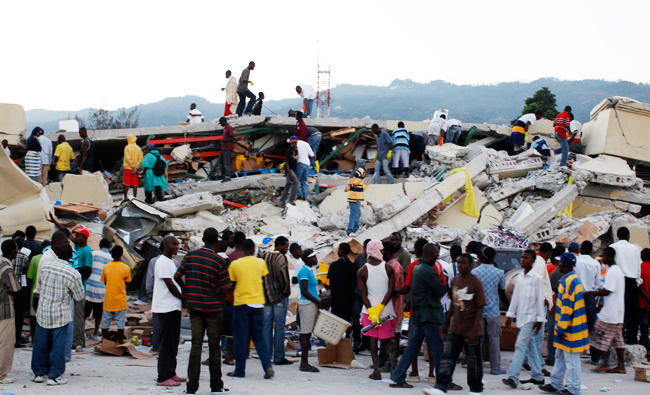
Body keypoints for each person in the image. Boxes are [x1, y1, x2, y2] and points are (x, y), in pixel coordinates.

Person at [174, 228, 231, 394]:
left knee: (196, 346)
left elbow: (177, 276)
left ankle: (191, 388)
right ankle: (216, 386)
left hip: (195, 307)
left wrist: (187, 292)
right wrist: (219, 301)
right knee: (214, 346)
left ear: (203, 239)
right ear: (216, 241)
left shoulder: (191, 255)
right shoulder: (219, 261)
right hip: (213, 308)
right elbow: (225, 286)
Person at [425, 254, 486, 395]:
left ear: (471, 265)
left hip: (472, 329)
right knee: (448, 358)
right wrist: (446, 323)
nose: (460, 266)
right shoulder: (455, 280)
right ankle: (441, 386)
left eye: (464, 263)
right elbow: (453, 302)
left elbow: (480, 307)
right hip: (456, 327)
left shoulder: (476, 282)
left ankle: (476, 389)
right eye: (458, 263)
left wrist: (474, 329)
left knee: (473, 361)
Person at [31, 230, 84, 386]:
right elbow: (79, 296)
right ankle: (55, 375)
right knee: (58, 346)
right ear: (69, 257)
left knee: (40, 345)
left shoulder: (46, 266)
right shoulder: (72, 273)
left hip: (44, 311)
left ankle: (39, 373)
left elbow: (38, 285)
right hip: (60, 314)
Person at [390, 243, 446, 388]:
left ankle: (398, 375)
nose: (437, 256)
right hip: (429, 314)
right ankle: (444, 380)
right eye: (435, 254)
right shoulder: (428, 270)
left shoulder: (416, 267)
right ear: (430, 254)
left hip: (418, 314)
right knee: (437, 348)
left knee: (413, 347)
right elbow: (440, 290)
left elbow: (408, 288)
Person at [539, 253, 589, 395]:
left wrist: (561, 328)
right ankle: (556, 383)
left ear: (565, 265)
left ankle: (574, 388)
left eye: (560, 263)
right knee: (560, 357)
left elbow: (567, 308)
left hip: (570, 328)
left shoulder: (568, 282)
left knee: (571, 360)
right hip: (571, 326)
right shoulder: (572, 279)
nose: (558, 265)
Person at [227, 239, 274, 379]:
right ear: (253, 249)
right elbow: (264, 281)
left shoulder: (235, 264)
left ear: (242, 249)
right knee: (259, 338)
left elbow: (231, 285)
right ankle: (267, 366)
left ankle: (239, 370)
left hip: (242, 303)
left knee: (241, 339)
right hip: (258, 303)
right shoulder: (260, 263)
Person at [502, 250, 546, 389]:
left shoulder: (536, 278)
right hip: (521, 316)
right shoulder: (520, 277)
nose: (522, 260)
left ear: (532, 261)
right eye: (522, 258)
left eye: (526, 258)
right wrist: (510, 315)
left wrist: (540, 319)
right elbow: (515, 298)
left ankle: (513, 377)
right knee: (531, 347)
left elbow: (540, 299)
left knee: (520, 346)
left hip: (531, 317)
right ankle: (538, 376)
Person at [358, 240, 397, 380]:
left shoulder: (362, 270)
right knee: (389, 341)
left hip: (370, 311)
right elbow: (391, 291)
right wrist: (381, 307)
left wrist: (373, 311)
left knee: (373, 340)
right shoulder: (388, 268)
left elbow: (363, 295)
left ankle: (376, 371)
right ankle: (394, 371)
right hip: (386, 309)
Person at [584, 247, 626, 373]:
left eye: (604, 256)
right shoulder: (618, 270)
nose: (602, 258)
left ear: (610, 256)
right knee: (618, 341)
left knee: (598, 336)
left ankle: (605, 362)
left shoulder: (613, 272)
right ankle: (621, 366)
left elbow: (607, 291)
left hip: (610, 313)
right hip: (617, 312)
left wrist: (591, 293)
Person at [152, 235, 185, 387]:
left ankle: (171, 372)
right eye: (174, 244)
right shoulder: (162, 262)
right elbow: (170, 284)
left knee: (172, 343)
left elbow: (177, 281)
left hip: (173, 306)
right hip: (165, 307)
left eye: (178, 244)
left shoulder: (171, 262)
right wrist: (184, 298)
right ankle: (163, 376)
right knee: (166, 344)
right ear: (165, 245)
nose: (177, 247)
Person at [471, 246, 506, 375]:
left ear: (481, 257)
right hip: (493, 311)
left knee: (478, 341)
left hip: (478, 312)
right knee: (494, 341)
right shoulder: (499, 273)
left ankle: (476, 367)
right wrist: (508, 308)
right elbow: (502, 293)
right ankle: (496, 368)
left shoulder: (475, 272)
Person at [261, 236, 292, 366]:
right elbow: (284, 276)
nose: (287, 249)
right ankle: (279, 357)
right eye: (286, 246)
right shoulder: (281, 258)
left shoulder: (264, 256)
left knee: (267, 326)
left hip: (266, 296)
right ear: (279, 246)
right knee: (279, 327)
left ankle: (266, 355)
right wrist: (286, 291)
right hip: (279, 296)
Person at [610, 226, 642, 344]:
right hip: (632, 281)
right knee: (632, 312)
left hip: (618, 281)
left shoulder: (613, 247)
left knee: (618, 312)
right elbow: (638, 269)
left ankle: (618, 338)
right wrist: (637, 282)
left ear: (617, 236)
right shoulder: (635, 249)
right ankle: (632, 339)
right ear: (628, 236)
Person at [100, 246, 131, 344]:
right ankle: (120, 341)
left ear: (112, 254)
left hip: (108, 299)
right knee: (120, 323)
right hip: (120, 300)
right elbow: (128, 282)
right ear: (121, 254)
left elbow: (104, 282)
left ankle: (104, 340)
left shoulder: (106, 267)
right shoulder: (126, 268)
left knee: (105, 322)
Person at [0, 240, 21, 384]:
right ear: (11, 251)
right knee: (6, 343)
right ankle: (2, 374)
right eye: (16, 249)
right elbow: (16, 288)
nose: (17, 251)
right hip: (5, 309)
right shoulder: (7, 267)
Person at [297, 248, 320, 372]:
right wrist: (318, 302)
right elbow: (304, 291)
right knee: (305, 334)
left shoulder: (309, 270)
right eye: (314, 257)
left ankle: (304, 362)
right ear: (308, 259)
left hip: (310, 304)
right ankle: (304, 363)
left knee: (306, 334)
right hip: (307, 305)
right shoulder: (304, 271)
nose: (316, 259)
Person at [85, 238, 112, 340]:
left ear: (100, 245)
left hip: (89, 286)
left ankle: (81, 332)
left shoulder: (93, 253)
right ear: (109, 247)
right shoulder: (111, 258)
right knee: (98, 314)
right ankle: (96, 333)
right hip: (102, 289)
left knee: (85, 313)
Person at [70, 227, 93, 351]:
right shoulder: (78, 247)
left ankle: (78, 341)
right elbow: (69, 236)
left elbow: (88, 270)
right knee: (74, 315)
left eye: (79, 236)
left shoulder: (86, 250)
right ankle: (77, 340)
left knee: (78, 316)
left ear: (84, 238)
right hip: (74, 286)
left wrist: (79, 273)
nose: (76, 238)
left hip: (80, 287)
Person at [26, 240, 50, 342]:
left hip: (34, 293)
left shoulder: (35, 259)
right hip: (46, 294)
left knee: (33, 317)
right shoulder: (51, 259)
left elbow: (29, 277)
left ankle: (33, 339)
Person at [574, 241, 600, 332]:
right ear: (591, 250)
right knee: (590, 327)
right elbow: (598, 284)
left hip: (576, 297)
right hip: (589, 296)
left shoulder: (575, 261)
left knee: (576, 326)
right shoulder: (595, 263)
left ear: (580, 249)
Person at [327, 243, 356, 323]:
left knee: (335, 321)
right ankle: (347, 334)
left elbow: (330, 282)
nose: (337, 251)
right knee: (347, 320)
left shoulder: (333, 265)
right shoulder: (352, 266)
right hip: (348, 299)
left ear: (342, 251)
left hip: (336, 299)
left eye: (339, 249)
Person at [352, 239, 371, 353]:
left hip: (369, 294)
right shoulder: (359, 258)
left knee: (368, 318)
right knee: (355, 317)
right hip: (358, 293)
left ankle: (366, 342)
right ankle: (357, 341)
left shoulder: (376, 260)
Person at [10, 236, 29, 347]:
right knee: (19, 316)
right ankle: (17, 340)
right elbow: (24, 275)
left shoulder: (4, 258)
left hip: (8, 290)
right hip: (19, 290)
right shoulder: (24, 257)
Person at [278, 135, 299, 206]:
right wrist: (289, 173)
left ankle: (281, 201)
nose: (293, 144)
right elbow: (286, 163)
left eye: (295, 143)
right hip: (289, 169)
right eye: (292, 143)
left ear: (297, 142)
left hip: (293, 169)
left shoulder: (297, 150)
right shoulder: (289, 151)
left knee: (288, 186)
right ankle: (291, 200)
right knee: (296, 183)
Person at [294, 134, 315, 201]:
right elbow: (312, 155)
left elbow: (295, 155)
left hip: (300, 163)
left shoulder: (295, 144)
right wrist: (316, 163)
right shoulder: (306, 144)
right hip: (307, 164)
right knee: (304, 181)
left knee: (297, 181)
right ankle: (304, 196)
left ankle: (300, 195)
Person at [345, 168, 366, 235]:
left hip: (356, 197)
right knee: (354, 215)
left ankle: (355, 229)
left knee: (358, 214)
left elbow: (349, 185)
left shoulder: (354, 174)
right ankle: (349, 230)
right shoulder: (359, 172)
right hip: (354, 197)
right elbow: (356, 181)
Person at [122, 134, 143, 200]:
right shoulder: (139, 148)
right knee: (135, 184)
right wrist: (136, 167)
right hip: (135, 170)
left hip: (128, 168)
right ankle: (135, 198)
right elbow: (140, 159)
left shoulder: (127, 147)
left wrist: (132, 166)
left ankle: (125, 197)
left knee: (126, 184)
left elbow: (128, 159)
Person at [639, 248, 650, 362]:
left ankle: (646, 354)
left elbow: (639, 287)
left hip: (643, 304)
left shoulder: (640, 268)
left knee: (644, 330)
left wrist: (648, 300)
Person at [219, 117, 235, 182]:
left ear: (224, 122)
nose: (220, 124)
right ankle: (223, 176)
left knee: (226, 163)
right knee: (221, 162)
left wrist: (224, 140)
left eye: (221, 123)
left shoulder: (229, 127)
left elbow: (232, 138)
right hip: (224, 148)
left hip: (228, 148)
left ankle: (228, 177)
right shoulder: (225, 128)